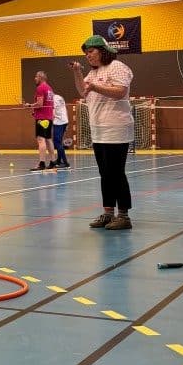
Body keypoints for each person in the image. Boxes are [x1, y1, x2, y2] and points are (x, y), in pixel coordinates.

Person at [70, 35, 134, 230]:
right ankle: (108, 213)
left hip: (116, 128)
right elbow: (83, 91)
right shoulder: (93, 73)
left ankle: (123, 216)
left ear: (103, 51)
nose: (88, 55)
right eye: (86, 53)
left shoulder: (117, 67)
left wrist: (95, 86)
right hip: (98, 130)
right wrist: (78, 72)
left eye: (91, 51)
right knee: (105, 173)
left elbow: (120, 91)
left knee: (116, 172)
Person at [28, 70, 54, 170]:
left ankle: (42, 163)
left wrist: (30, 105)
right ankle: (53, 162)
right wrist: (35, 111)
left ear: (40, 77)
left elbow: (40, 104)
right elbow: (48, 104)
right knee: (48, 139)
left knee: (40, 139)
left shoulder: (40, 88)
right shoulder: (49, 88)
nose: (35, 79)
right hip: (49, 117)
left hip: (42, 118)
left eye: (36, 77)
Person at [52, 91, 70, 168]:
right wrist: (67, 122)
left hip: (58, 122)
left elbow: (52, 113)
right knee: (59, 142)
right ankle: (59, 160)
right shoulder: (60, 97)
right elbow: (65, 110)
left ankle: (65, 163)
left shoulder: (52, 100)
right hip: (64, 121)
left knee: (57, 143)